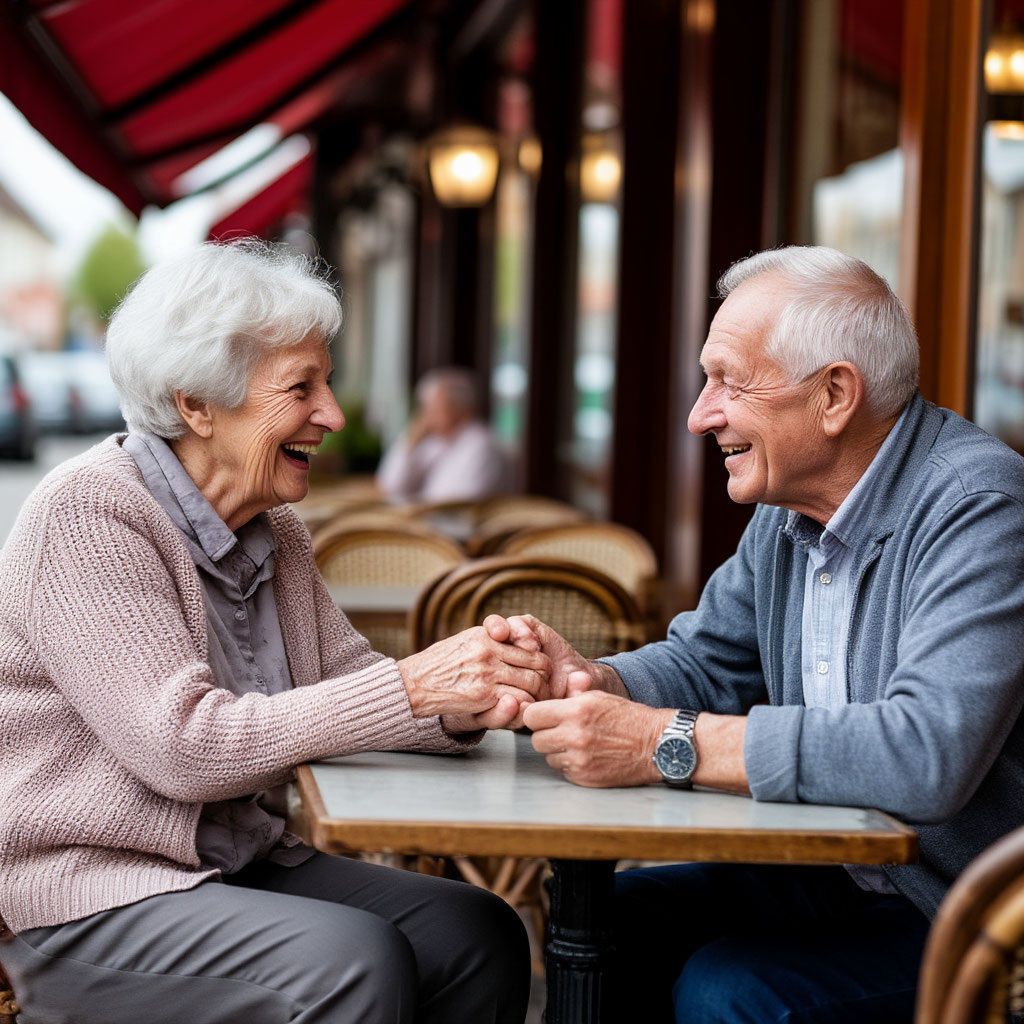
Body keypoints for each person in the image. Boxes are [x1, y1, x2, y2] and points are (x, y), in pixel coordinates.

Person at [0, 239, 547, 1024]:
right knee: (352, 964)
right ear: (196, 404)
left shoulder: (274, 527)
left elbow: (348, 681)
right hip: (89, 895)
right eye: (302, 388)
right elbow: (182, 747)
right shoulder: (89, 514)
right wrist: (415, 684)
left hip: (234, 863)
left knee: (474, 931)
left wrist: (474, 694)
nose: (334, 414)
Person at [512, 245, 1024, 1022]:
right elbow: (706, 662)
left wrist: (658, 742)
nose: (699, 414)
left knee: (732, 992)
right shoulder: (787, 517)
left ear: (835, 395)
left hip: (980, 917)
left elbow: (926, 753)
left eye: (729, 381)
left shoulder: (979, 506)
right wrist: (590, 680)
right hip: (843, 874)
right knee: (615, 914)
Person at [376, 366, 509, 502]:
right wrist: (411, 439)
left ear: (461, 409)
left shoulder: (482, 445)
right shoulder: (439, 443)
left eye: (434, 409)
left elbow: (455, 503)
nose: (427, 417)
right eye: (426, 409)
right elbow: (390, 485)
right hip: (424, 518)